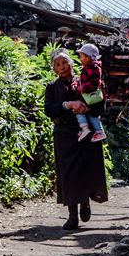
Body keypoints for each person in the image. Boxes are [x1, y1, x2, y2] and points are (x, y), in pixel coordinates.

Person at [43, 48, 108, 230]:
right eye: (58, 64)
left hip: (86, 133)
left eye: (65, 63)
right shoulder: (52, 87)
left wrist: (88, 108)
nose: (62, 66)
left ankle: (85, 202)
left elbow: (100, 102)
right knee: (69, 174)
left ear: (72, 64)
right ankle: (72, 216)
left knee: (87, 170)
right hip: (64, 134)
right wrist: (68, 104)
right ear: (55, 69)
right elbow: (49, 110)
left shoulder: (85, 81)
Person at [73, 43, 106, 142]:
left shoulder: (94, 68)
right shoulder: (89, 67)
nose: (80, 58)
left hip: (92, 98)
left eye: (81, 56)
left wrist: (83, 88)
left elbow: (95, 83)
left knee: (83, 112)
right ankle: (90, 130)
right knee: (90, 115)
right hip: (89, 97)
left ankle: (88, 130)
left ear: (88, 57)